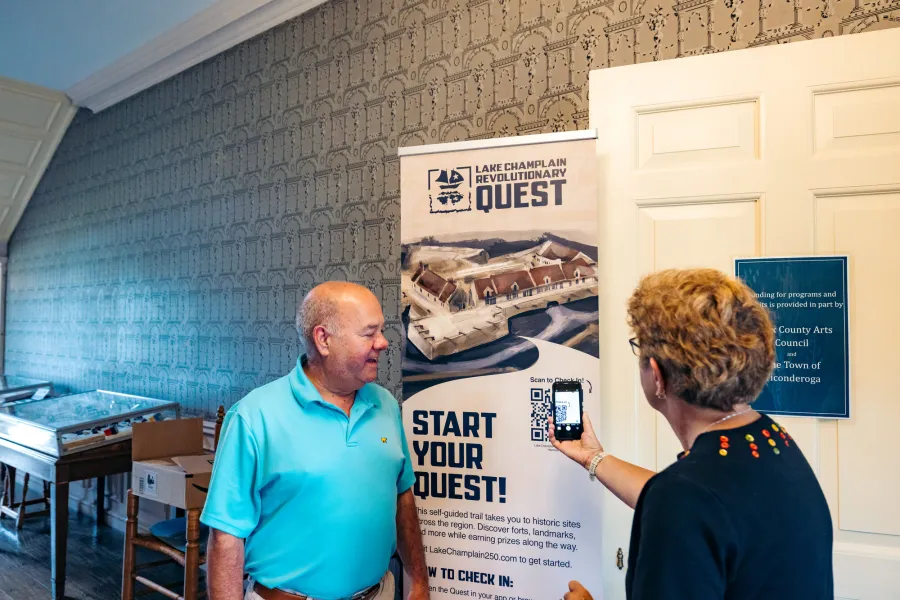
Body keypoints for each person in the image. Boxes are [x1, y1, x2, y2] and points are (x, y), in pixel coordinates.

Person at [550, 268, 834, 600]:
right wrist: (593, 457)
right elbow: (704, 507)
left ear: (657, 375)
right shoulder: (771, 440)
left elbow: (687, 506)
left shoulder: (685, 497)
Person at [201, 281, 430, 600]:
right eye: (369, 333)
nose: (383, 342)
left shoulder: (386, 406)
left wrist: (418, 583)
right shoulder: (254, 417)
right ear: (324, 339)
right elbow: (226, 538)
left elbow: (402, 497)